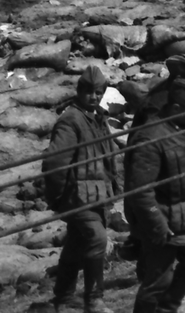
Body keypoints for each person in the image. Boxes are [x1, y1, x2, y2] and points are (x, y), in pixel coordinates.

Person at [125, 79, 185, 313]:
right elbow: (140, 191)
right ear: (177, 109)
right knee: (157, 282)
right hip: (163, 221)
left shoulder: (184, 129)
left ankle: (166, 309)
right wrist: (157, 223)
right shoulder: (150, 139)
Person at [44, 67, 120, 313]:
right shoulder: (71, 120)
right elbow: (55, 162)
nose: (94, 97)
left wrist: (114, 188)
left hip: (97, 194)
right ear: (79, 92)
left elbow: (108, 158)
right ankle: (94, 300)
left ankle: (63, 297)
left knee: (77, 243)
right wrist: (58, 197)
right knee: (97, 239)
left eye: (98, 92)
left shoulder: (98, 118)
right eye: (89, 92)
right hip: (76, 196)